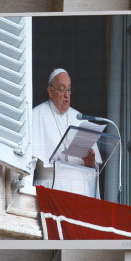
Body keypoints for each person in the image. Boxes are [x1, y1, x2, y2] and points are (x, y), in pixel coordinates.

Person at [30, 68, 102, 196]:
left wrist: (90, 162)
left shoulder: (79, 117)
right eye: (62, 89)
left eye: (69, 89)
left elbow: (94, 169)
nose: (67, 95)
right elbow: (29, 164)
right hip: (51, 188)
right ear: (50, 92)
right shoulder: (37, 115)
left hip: (81, 191)